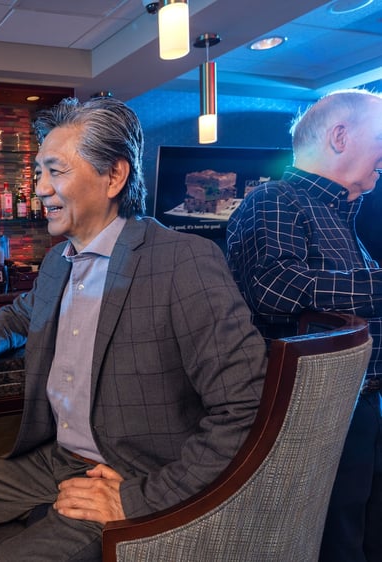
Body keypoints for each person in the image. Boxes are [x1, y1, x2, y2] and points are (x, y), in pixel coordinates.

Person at [0, 96, 268, 560]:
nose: (39, 189)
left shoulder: (183, 260)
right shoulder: (57, 262)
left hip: (135, 473)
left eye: (56, 171)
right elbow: (25, 314)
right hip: (63, 459)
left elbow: (245, 410)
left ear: (113, 176)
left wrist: (137, 499)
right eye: (37, 174)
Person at [226, 89, 382, 562]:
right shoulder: (276, 199)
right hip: (319, 408)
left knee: (364, 530)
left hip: (359, 401)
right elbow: (274, 289)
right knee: (336, 538)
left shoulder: (341, 212)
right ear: (340, 136)